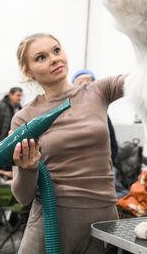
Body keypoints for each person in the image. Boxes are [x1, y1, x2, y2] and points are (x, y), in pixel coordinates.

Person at [10, 33, 124, 254]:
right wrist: (28, 169)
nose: (54, 59)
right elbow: (22, 197)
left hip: (104, 222)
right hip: (52, 223)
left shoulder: (98, 91)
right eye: (41, 57)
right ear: (28, 71)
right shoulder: (24, 118)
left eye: (56, 50)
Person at [71, 69, 119, 166]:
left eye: (89, 82)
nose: (85, 85)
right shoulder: (66, 111)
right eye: (80, 82)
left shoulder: (102, 113)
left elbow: (113, 145)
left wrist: (107, 165)